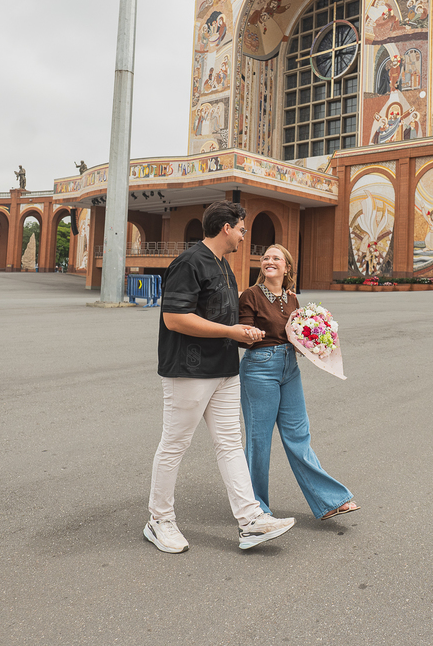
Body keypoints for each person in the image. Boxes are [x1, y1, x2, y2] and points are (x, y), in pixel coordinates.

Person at [146, 201, 295, 553]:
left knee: (230, 444)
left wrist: (243, 331)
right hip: (189, 370)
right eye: (242, 229)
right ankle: (159, 519)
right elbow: (175, 319)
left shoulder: (224, 266)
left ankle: (250, 521)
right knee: (175, 444)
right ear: (226, 227)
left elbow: (223, 319)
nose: (245, 236)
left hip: (225, 371)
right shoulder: (189, 262)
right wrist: (231, 332)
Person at [237, 244, 358, 522]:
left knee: (298, 435)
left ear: (287, 267)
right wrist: (250, 334)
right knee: (259, 440)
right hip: (260, 368)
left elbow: (294, 334)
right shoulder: (250, 295)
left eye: (276, 258)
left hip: (289, 367)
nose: (269, 261)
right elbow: (243, 334)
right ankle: (255, 508)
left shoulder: (292, 300)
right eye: (266, 258)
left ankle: (328, 501)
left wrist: (316, 341)